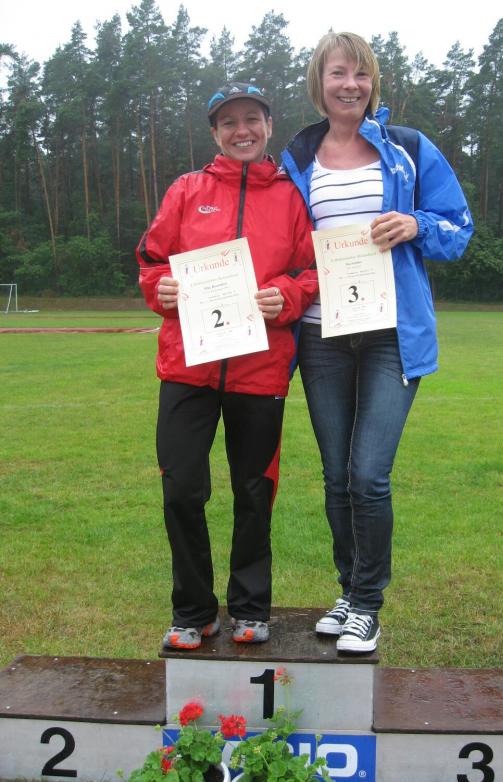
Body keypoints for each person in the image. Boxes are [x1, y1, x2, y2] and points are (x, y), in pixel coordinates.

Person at [281, 33, 473, 653]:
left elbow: (458, 228)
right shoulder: (297, 156)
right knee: (336, 476)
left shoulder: (408, 149)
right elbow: (279, 239)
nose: (351, 85)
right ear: (320, 81)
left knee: (368, 475)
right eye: (339, 73)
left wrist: (416, 223)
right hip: (322, 335)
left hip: (392, 336)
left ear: (373, 83)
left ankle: (368, 605)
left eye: (361, 74)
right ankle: (348, 592)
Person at [137, 83, 317, 649]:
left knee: (255, 491)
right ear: (215, 133)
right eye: (230, 122)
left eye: (252, 119)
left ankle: (250, 607)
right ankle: (193, 611)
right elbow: (151, 259)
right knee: (181, 490)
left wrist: (287, 296)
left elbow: (311, 270)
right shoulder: (187, 190)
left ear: (269, 125)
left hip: (260, 371)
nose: (243, 131)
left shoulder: (291, 196)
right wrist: (160, 288)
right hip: (186, 370)